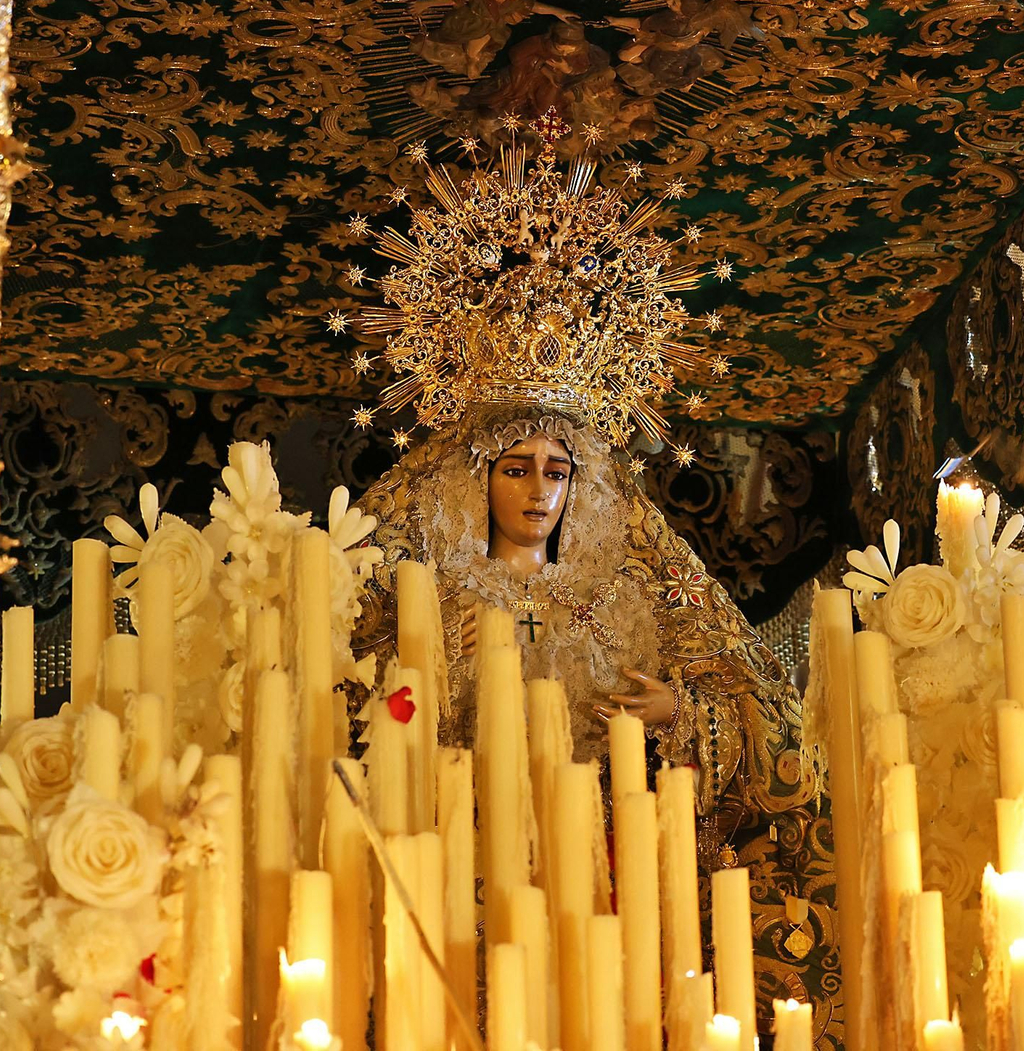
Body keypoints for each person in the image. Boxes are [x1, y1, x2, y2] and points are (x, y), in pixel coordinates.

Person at [350, 402, 834, 1033]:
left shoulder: (625, 596)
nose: (538, 492)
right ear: (476, 479)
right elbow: (350, 702)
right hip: (457, 847)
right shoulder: (424, 597)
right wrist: (423, 655)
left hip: (600, 856)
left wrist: (678, 711)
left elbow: (764, 711)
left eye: (557, 472)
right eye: (516, 470)